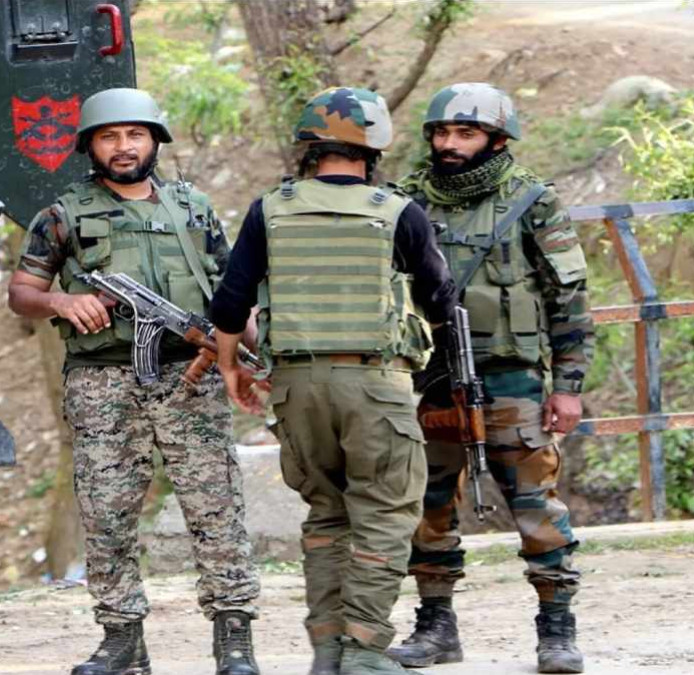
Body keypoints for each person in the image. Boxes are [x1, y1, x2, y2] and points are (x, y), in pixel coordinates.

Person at [7, 88, 261, 675]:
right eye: (109, 137)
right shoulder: (62, 215)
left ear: (154, 141)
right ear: (90, 146)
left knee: (216, 508)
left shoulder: (193, 208)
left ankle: (234, 639)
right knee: (107, 514)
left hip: (190, 375)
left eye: (135, 135)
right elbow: (21, 294)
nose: (123, 147)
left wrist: (253, 351)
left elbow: (234, 291)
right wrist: (61, 302)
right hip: (101, 382)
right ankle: (122, 640)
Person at [212, 87, 457, 675]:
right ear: (373, 147)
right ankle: (364, 652)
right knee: (385, 514)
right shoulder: (399, 212)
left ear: (310, 147)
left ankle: (327, 652)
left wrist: (229, 367)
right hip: (374, 383)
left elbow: (230, 303)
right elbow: (441, 301)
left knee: (326, 515)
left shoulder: (270, 209)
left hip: (296, 387)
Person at [386, 83, 593, 674]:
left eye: (466, 133)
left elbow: (568, 299)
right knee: (425, 504)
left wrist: (568, 386)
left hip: (511, 380)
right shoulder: (404, 202)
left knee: (535, 505)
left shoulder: (532, 201)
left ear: (498, 139)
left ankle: (557, 630)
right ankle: (436, 627)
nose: (449, 144)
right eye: (441, 133)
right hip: (428, 379)